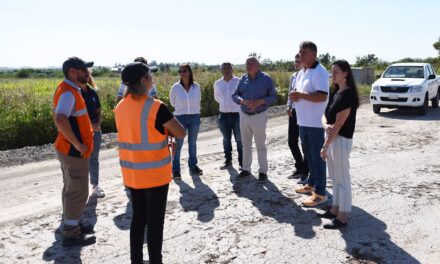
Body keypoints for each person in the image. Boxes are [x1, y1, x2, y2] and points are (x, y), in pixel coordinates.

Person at [114, 62, 185, 264]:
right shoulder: (155, 107)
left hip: (132, 175)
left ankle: (136, 260)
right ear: (144, 80)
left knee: (138, 220)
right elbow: (180, 132)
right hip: (155, 175)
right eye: (150, 76)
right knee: (155, 224)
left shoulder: (119, 107)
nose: (152, 80)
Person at [53, 57, 96, 247]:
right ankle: (71, 233)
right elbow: (60, 120)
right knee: (77, 191)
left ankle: (73, 222)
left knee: (72, 188)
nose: (86, 73)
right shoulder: (69, 93)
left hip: (68, 149)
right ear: (72, 71)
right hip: (72, 151)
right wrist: (78, 145)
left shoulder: (69, 89)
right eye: (83, 69)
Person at [318, 60, 359, 229]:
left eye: (336, 72)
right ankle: (335, 209)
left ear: (345, 74)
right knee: (334, 177)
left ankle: (343, 215)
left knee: (342, 178)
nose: (332, 74)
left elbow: (339, 125)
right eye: (331, 71)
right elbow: (324, 116)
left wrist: (325, 145)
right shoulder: (336, 92)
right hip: (332, 139)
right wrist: (325, 125)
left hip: (340, 141)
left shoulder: (348, 95)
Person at [290, 41, 329, 207]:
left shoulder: (320, 72)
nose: (300, 55)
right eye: (299, 52)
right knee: (309, 157)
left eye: (304, 52)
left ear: (313, 54)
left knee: (317, 158)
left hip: (316, 123)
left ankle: (320, 193)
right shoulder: (302, 72)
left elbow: (321, 96)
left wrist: (301, 95)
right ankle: (312, 184)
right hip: (303, 122)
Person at [232, 56, 277, 183]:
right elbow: (234, 95)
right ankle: (246, 169)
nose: (248, 66)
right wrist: (242, 101)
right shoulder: (243, 79)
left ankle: (263, 172)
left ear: (258, 65)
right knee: (245, 144)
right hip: (244, 115)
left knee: (260, 145)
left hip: (259, 115)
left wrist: (260, 101)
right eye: (247, 63)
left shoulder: (266, 79)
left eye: (251, 63)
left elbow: (273, 96)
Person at [169, 64, 203, 179]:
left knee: (192, 144)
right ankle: (176, 170)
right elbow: (173, 102)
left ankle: (193, 166)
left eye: (184, 70)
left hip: (194, 117)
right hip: (180, 118)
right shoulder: (175, 87)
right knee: (178, 145)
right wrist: (182, 110)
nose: (182, 73)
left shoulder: (196, 87)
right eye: (180, 71)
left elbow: (198, 100)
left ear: (189, 72)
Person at [79, 73, 105, 198]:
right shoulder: (76, 93)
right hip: (81, 132)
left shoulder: (93, 92)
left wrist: (98, 123)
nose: (87, 75)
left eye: (88, 73)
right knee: (80, 161)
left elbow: (98, 110)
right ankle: (80, 188)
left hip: (95, 131)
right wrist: (90, 125)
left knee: (94, 159)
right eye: (84, 72)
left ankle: (95, 186)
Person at [214, 62, 243, 170]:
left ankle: (242, 162)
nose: (227, 70)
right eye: (224, 68)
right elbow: (217, 98)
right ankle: (228, 161)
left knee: (239, 139)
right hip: (223, 115)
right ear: (221, 70)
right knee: (226, 140)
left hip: (237, 115)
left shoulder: (239, 82)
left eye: (228, 68)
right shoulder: (217, 84)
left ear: (232, 69)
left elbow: (242, 96)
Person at [286, 54, 309, 183]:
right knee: (292, 142)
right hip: (293, 112)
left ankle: (305, 171)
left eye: (298, 61)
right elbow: (290, 93)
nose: (296, 63)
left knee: (305, 143)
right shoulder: (293, 76)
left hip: (304, 113)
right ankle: (299, 167)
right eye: (295, 61)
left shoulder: (307, 75)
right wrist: (288, 107)